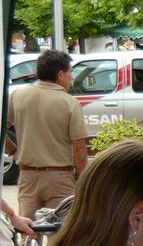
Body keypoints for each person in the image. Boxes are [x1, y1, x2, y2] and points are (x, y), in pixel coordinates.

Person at [6, 49, 88, 219]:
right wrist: (83, 179)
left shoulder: (17, 96)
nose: (71, 77)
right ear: (60, 74)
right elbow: (79, 148)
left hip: (28, 176)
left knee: (28, 231)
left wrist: (14, 151)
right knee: (59, 233)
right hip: (60, 178)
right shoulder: (70, 103)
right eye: (70, 72)